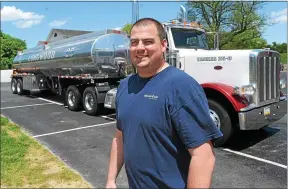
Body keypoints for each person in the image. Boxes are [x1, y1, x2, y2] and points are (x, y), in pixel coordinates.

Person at [105, 17, 223, 189]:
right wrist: (110, 180)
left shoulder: (181, 86)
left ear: (163, 45)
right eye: (134, 42)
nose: (139, 48)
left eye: (148, 42)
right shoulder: (125, 86)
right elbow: (120, 137)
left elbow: (203, 156)